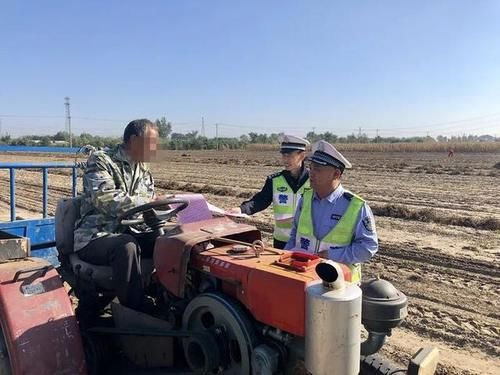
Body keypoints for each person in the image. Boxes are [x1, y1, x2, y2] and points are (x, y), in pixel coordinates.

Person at [73, 119, 159, 311]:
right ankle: (134, 311)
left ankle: (169, 300)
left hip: (132, 229)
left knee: (170, 241)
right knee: (126, 246)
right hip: (95, 236)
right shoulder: (101, 160)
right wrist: (148, 203)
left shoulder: (143, 168)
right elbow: (105, 198)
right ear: (134, 140)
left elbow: (151, 198)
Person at [284, 140, 378, 282]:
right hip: (305, 276)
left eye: (318, 169)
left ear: (336, 174)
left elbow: (368, 247)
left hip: (340, 284)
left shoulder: (356, 206)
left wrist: (331, 255)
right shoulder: (305, 199)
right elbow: (294, 236)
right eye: (311, 167)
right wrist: (286, 258)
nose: (311, 173)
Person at [227, 135, 310, 249]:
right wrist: (241, 209)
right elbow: (260, 201)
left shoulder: (314, 181)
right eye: (283, 155)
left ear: (302, 156)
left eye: (290, 155)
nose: (285, 160)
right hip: (281, 241)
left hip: (306, 241)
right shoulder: (274, 180)